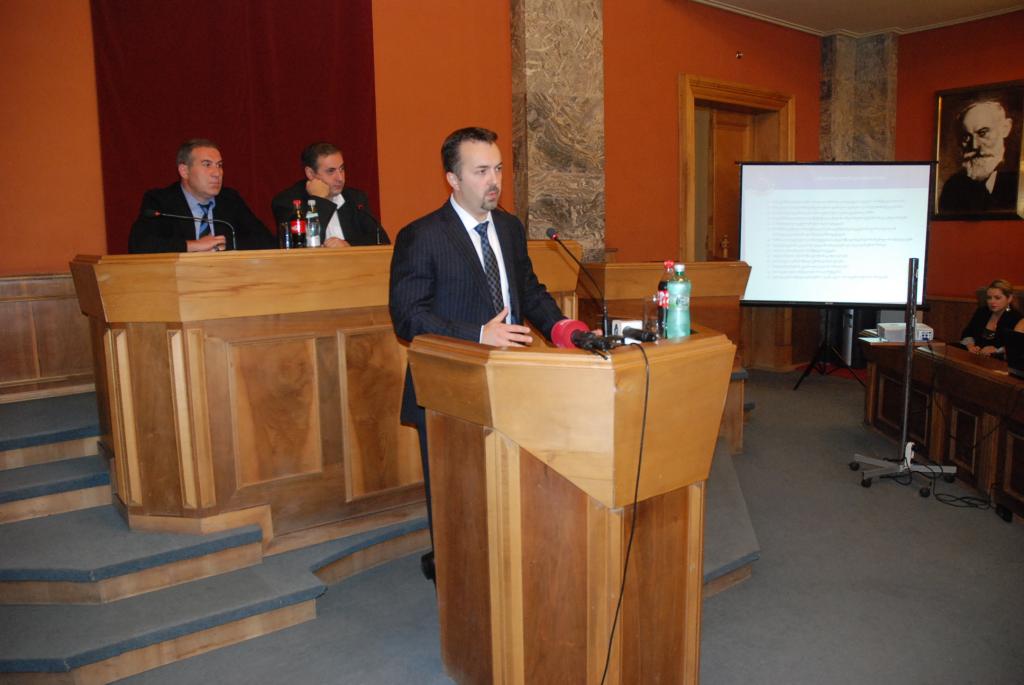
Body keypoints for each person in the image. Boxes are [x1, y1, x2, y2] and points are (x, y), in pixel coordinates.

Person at [389, 126, 568, 581]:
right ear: (453, 179)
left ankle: (511, 574)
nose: (495, 181)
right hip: (451, 388)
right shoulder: (422, 235)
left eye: (499, 169)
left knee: (512, 492)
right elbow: (408, 317)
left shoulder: (508, 227)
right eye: (481, 171)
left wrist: (563, 328)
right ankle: (457, 579)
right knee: (459, 499)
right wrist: (478, 334)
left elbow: (528, 290)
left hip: (513, 381)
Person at [129, 139, 275, 253]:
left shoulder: (230, 200)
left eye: (219, 165)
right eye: (207, 164)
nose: (217, 173)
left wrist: (224, 245)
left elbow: (266, 241)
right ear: (184, 171)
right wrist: (194, 245)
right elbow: (140, 245)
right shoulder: (161, 202)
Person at [271, 142, 388, 247]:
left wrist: (347, 245)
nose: (340, 178)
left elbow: (382, 240)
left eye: (342, 169)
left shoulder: (355, 199)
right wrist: (319, 200)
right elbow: (300, 246)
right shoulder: (287, 202)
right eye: (331, 171)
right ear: (310, 173)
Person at [939, 100, 1020, 214]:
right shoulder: (953, 186)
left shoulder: (1019, 180)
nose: (974, 145)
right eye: (966, 137)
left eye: (983, 133)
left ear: (1005, 128)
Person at [960, 279, 1022, 357]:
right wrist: (970, 345)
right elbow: (967, 332)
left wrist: (997, 350)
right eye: (989, 298)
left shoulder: (1016, 318)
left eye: (997, 298)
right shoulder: (982, 311)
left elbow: (1016, 346)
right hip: (975, 356)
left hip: (998, 360)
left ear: (1009, 298)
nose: (992, 302)